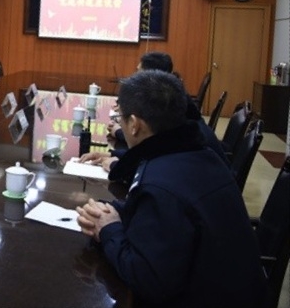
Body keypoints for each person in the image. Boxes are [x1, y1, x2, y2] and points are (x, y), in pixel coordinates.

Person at [75, 70, 265, 308]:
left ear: (134, 125)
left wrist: (108, 229)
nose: (119, 122)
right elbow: (163, 218)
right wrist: (112, 211)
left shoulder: (159, 184)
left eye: (119, 116)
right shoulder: (199, 153)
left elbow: (147, 281)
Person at [80, 51, 226, 182]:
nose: (135, 76)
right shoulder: (178, 106)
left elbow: (158, 172)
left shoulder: (174, 117)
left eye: (138, 72)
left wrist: (116, 165)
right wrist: (114, 154)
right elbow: (158, 148)